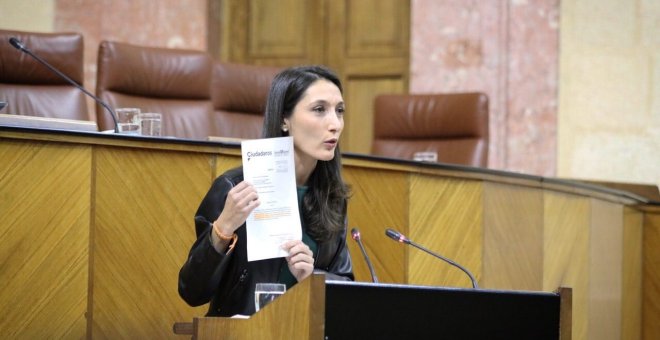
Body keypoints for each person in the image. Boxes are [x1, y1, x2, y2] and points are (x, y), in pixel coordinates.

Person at [178, 65, 354, 316]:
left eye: (339, 111)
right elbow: (191, 292)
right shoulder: (234, 188)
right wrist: (222, 230)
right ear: (284, 119)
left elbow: (348, 288)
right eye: (319, 110)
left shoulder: (332, 198)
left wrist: (311, 277)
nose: (335, 124)